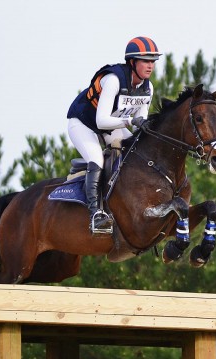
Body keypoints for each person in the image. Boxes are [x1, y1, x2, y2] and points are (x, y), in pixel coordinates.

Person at [67, 36, 161, 234]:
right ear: (132, 62)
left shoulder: (147, 87)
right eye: (145, 60)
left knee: (134, 151)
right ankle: (95, 214)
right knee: (97, 159)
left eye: (153, 61)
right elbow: (102, 121)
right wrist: (129, 121)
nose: (150, 66)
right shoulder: (113, 80)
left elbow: (140, 122)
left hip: (111, 126)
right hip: (84, 124)